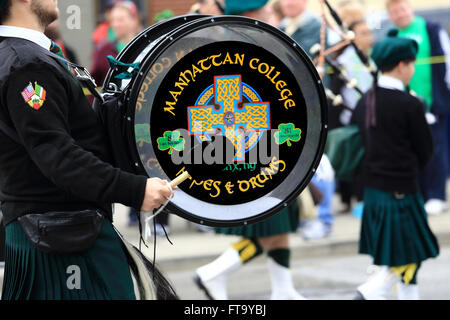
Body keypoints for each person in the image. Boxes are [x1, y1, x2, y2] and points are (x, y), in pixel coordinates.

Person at [0, 0, 172, 300]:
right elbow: (56, 154)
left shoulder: (24, 57)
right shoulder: (27, 64)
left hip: (57, 232)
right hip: (63, 238)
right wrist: (135, 189)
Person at [193, 0, 306, 301]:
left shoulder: (240, 38)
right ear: (251, 13)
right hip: (255, 148)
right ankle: (213, 273)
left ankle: (284, 289)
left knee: (278, 224)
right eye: (266, 8)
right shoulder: (247, 42)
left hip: (260, 145)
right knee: (267, 226)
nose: (271, 11)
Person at [350, 30, 439, 300]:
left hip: (374, 191)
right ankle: (370, 291)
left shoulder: (366, 99)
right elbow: (426, 152)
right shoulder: (410, 104)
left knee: (403, 255)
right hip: (402, 191)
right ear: (402, 65)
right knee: (410, 255)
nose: (412, 69)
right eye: (411, 64)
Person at [386, 0, 450, 216]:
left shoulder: (431, 29)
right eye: (394, 11)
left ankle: (437, 195)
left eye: (402, 9)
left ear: (409, 9)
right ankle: (421, 194)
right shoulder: (392, 36)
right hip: (406, 107)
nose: (399, 14)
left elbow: (446, 62)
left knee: (437, 150)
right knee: (414, 152)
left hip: (434, 103)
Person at [90, 0, 141, 86]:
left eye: (120, 20)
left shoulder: (146, 47)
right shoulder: (103, 50)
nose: (115, 24)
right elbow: (93, 85)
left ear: (134, 20)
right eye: (113, 20)